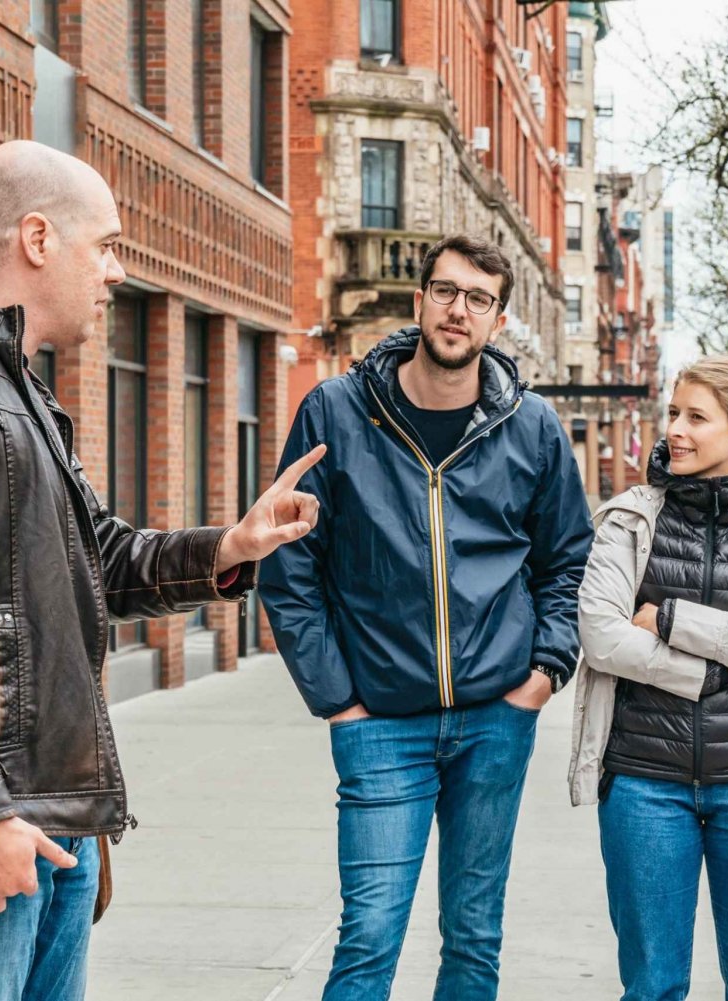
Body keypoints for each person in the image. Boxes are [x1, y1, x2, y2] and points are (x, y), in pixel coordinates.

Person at [0, 141, 324, 1001]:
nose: (116, 271)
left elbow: (101, 560)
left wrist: (230, 548)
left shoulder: (18, 391)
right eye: (107, 244)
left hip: (45, 820)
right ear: (38, 238)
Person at [258, 234, 593, 1000]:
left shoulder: (532, 426)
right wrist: (338, 699)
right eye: (446, 291)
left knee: (474, 937)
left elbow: (568, 560)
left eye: (478, 298)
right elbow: (288, 564)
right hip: (379, 721)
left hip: (496, 718)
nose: (459, 310)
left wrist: (542, 674)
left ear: (498, 320)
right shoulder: (337, 413)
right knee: (370, 934)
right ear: (419, 303)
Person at [568, 357, 728, 1001]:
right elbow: (601, 635)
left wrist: (670, 619)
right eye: (674, 413)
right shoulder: (629, 518)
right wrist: (720, 666)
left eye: (697, 417)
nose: (676, 431)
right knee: (652, 986)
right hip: (643, 784)